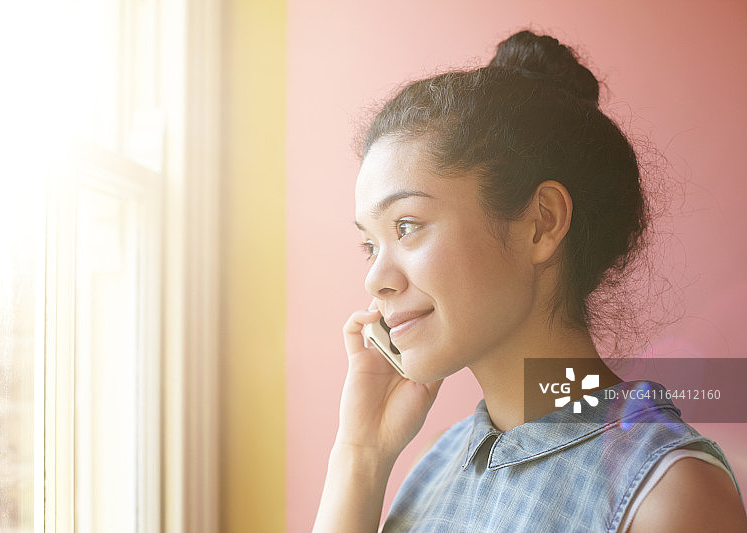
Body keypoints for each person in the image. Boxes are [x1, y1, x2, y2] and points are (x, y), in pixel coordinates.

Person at [312, 30, 747, 532]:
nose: (376, 280)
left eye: (407, 227)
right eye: (370, 245)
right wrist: (360, 453)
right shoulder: (437, 465)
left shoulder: (669, 494)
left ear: (541, 222)